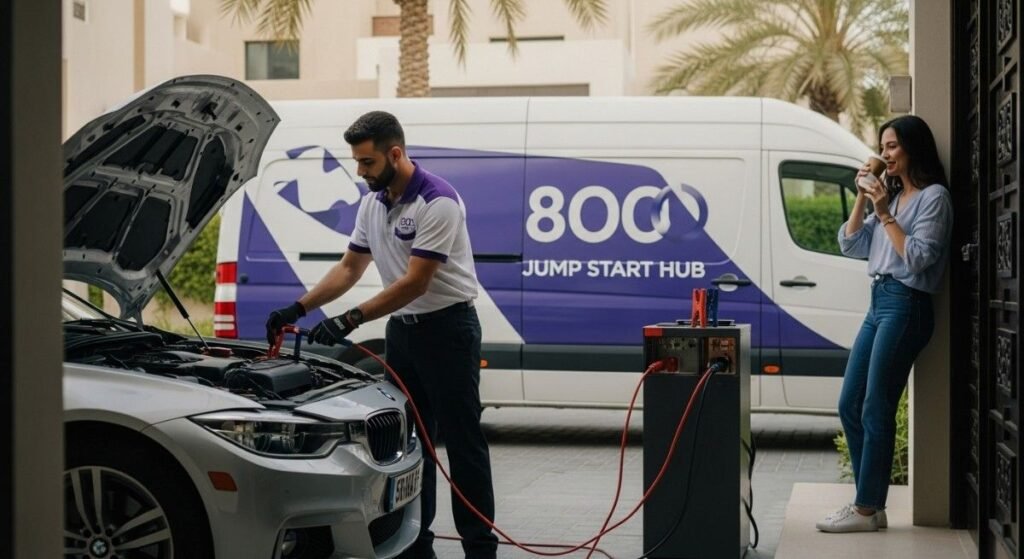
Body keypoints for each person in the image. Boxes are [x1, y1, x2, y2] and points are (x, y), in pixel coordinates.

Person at [265, 111, 499, 559]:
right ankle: (417, 544)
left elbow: (415, 282)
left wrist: (350, 320)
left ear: (395, 153)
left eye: (367, 162)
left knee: (464, 444)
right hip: (404, 335)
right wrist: (299, 307)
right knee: (414, 445)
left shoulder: (438, 202)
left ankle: (480, 548)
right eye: (357, 162)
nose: (360, 172)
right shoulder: (373, 203)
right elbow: (350, 267)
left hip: (448, 330)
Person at [816, 115, 953, 533]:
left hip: (906, 303)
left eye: (892, 146)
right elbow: (851, 244)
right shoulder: (890, 200)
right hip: (878, 303)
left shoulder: (934, 198)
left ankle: (865, 509)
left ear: (913, 148)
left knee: (876, 405)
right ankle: (870, 505)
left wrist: (882, 210)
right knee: (849, 403)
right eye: (882, 146)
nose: (884, 154)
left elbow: (916, 257)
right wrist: (863, 197)